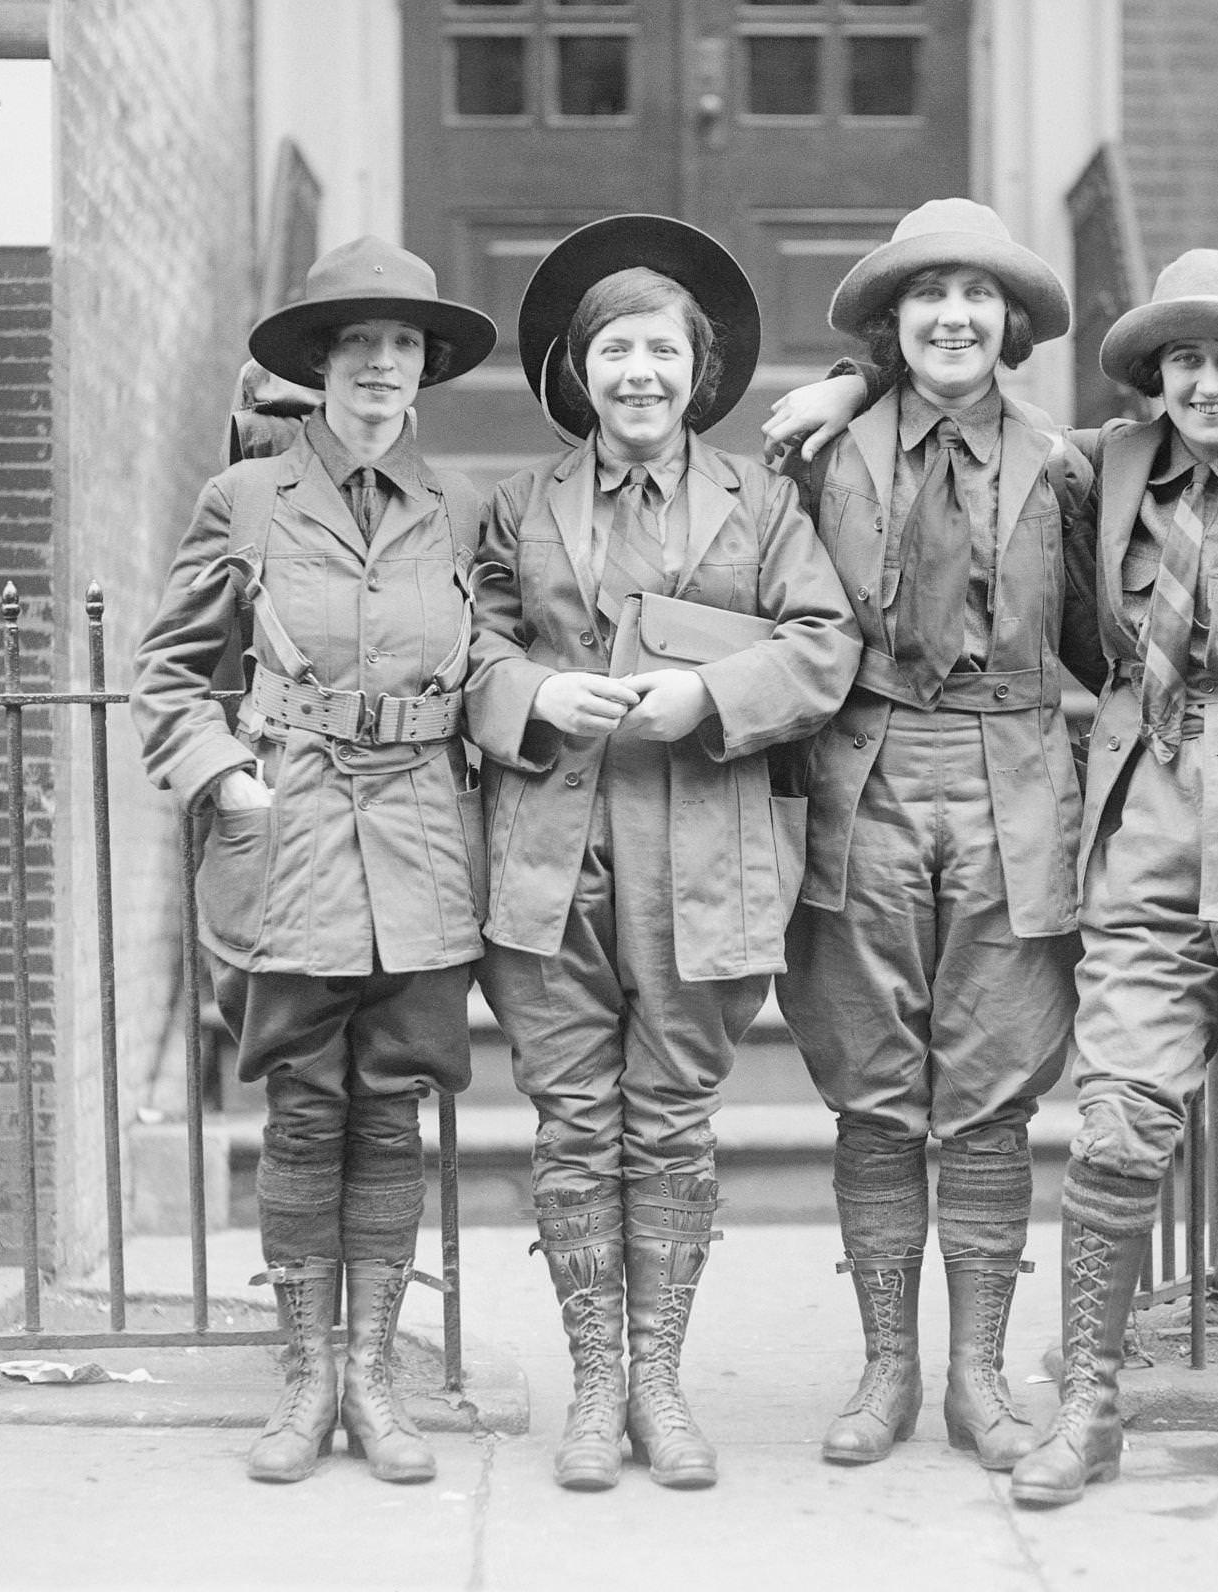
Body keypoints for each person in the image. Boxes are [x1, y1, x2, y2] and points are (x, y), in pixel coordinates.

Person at [768, 250, 1218, 1504]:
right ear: (1153, 374)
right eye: (1184, 359)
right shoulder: (1102, 464)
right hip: (1149, 831)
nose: (1207, 384)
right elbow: (952, 397)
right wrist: (846, 383)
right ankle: (1088, 1402)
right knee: (1116, 1122)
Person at [467, 215, 859, 1493]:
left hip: (706, 846)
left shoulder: (763, 503)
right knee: (575, 1118)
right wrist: (531, 689)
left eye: (662, 352)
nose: (639, 373)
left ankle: (659, 1385)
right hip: (552, 848)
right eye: (615, 351)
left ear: (700, 370)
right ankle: (594, 1387)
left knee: (673, 1115)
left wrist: (708, 693)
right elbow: (465, 644)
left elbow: (823, 643)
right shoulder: (519, 504)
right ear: (578, 370)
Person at [132, 237, 498, 1485]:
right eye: (356, 343)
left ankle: (374, 1380)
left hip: (420, 835)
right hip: (288, 831)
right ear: (320, 363)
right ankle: (302, 1377)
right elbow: (168, 671)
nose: (380, 365)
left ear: (424, 368)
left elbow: (496, 663)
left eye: (401, 345)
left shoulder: (462, 509)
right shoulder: (247, 499)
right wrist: (222, 775)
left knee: (390, 1101)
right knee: (301, 1101)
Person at [763, 199, 1091, 1474]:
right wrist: (843, 389)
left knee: (995, 1088)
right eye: (926, 295)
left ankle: (977, 1374)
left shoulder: (1065, 467)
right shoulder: (821, 453)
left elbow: (1103, 641)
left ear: (1010, 322)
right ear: (890, 324)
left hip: (1015, 779)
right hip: (863, 774)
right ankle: (886, 1365)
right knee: (872, 1085)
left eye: (976, 295)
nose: (953, 317)